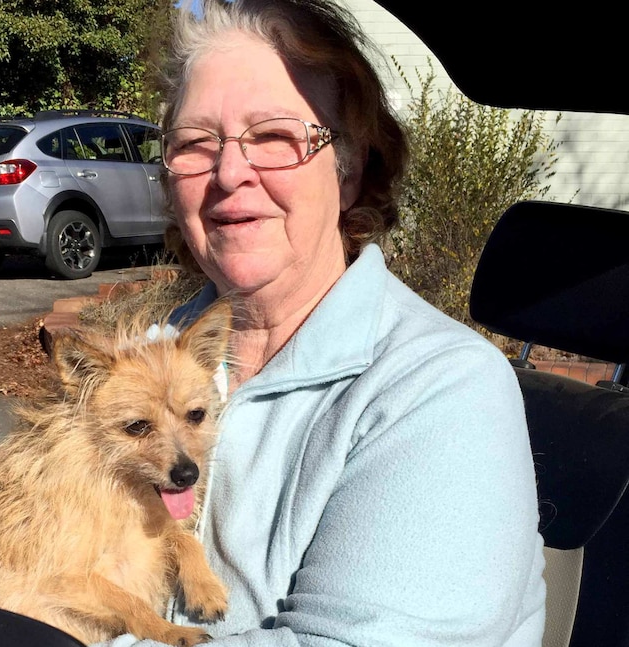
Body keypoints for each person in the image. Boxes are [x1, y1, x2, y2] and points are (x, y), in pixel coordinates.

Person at [107, 0, 546, 645]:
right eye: (197, 145)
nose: (230, 174)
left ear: (351, 168)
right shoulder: (152, 354)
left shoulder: (442, 390)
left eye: (275, 138)